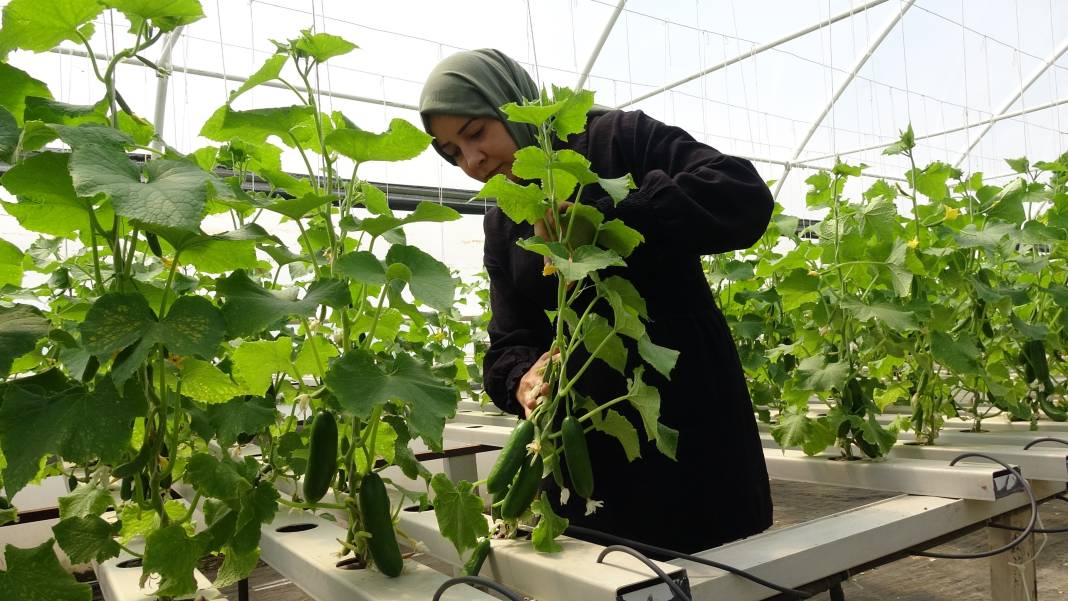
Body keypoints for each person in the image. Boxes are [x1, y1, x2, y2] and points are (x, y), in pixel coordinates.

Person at [419, 48, 773, 554]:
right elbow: (508, 340)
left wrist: (602, 217)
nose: (471, 161)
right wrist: (522, 377)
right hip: (586, 452)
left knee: (724, 569)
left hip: (690, 424)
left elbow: (741, 194)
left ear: (510, 104)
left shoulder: (618, 138)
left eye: (475, 133)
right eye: (452, 152)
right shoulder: (503, 219)